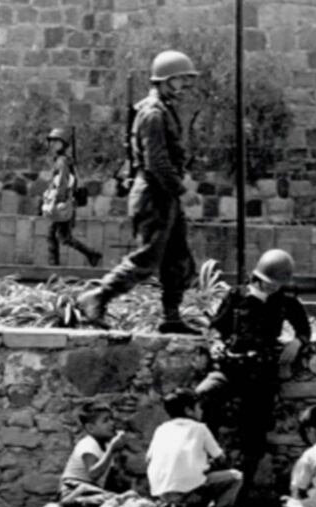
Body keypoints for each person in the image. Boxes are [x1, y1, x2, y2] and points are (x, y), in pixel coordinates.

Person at [77, 50, 200, 334]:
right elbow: (155, 161)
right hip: (154, 195)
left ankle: (171, 317)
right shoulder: (153, 113)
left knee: (177, 259)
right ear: (165, 80)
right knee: (147, 257)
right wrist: (180, 190)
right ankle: (97, 296)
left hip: (163, 194)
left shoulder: (163, 109)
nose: (184, 85)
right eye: (179, 79)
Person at [194, 248, 312, 507]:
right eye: (270, 283)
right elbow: (216, 327)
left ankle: (241, 497)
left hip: (261, 374)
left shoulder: (284, 300)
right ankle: (206, 462)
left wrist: (298, 342)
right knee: (204, 396)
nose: (273, 289)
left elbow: (304, 328)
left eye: (278, 285)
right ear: (258, 278)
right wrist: (215, 344)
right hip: (230, 368)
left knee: (255, 436)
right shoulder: (236, 296)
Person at [147, 388, 243, 507]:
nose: (201, 411)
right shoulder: (200, 428)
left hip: (162, 493)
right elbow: (221, 459)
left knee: (196, 480)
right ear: (189, 410)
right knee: (235, 477)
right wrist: (209, 466)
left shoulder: (161, 429)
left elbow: (148, 459)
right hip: (190, 492)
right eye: (199, 407)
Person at [42, 404, 126, 507]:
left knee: (113, 502)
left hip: (90, 490)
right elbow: (93, 474)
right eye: (105, 421)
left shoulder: (106, 445)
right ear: (90, 428)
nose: (112, 423)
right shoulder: (88, 444)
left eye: (112, 419)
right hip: (74, 489)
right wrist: (112, 449)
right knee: (112, 500)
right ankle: (62, 506)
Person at [41, 127, 102, 267]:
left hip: (62, 204)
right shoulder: (64, 160)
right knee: (58, 236)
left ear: (63, 144)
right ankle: (90, 255)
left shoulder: (62, 161)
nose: (52, 144)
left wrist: (56, 201)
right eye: (51, 141)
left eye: (56, 141)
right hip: (65, 202)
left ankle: (55, 267)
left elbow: (62, 183)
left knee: (59, 237)